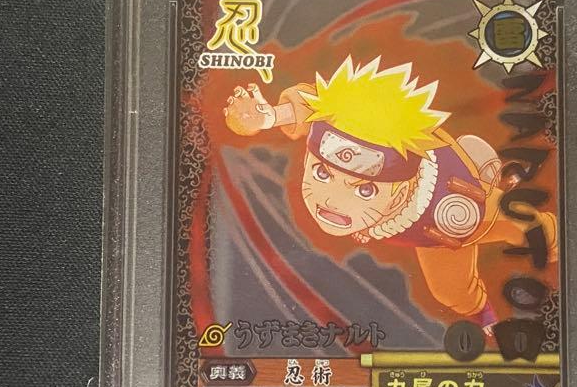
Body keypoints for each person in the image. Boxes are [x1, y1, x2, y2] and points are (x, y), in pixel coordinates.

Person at [223, 56, 557, 340]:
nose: (331, 202)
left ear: (404, 185)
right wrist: (268, 116)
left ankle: (515, 196)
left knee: (519, 231)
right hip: (421, 225)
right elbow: (315, 104)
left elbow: (520, 222)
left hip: (447, 211)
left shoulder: (458, 201)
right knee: (452, 292)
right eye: (322, 173)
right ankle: (486, 319)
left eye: (365, 189)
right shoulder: (340, 119)